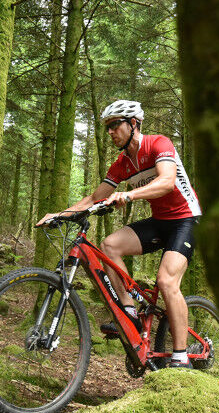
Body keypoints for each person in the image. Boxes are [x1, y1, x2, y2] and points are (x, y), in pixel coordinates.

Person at [37, 100, 201, 368]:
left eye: (115, 125)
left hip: (186, 219)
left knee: (166, 281)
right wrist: (59, 215)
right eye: (108, 127)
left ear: (133, 124)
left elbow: (167, 181)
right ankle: (129, 311)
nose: (110, 132)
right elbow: (94, 198)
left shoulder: (158, 144)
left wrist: (130, 194)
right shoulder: (123, 163)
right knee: (109, 245)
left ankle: (181, 357)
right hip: (160, 221)